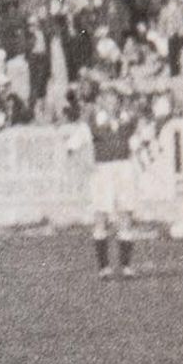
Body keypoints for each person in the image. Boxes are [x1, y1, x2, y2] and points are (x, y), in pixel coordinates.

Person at [70, 85, 142, 278]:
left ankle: (126, 266)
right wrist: (84, 165)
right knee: (101, 215)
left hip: (124, 168)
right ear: (101, 101)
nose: (112, 104)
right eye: (107, 99)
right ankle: (104, 267)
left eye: (115, 100)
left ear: (119, 102)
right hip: (103, 170)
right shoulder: (92, 121)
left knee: (126, 214)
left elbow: (139, 143)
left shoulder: (128, 120)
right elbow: (72, 146)